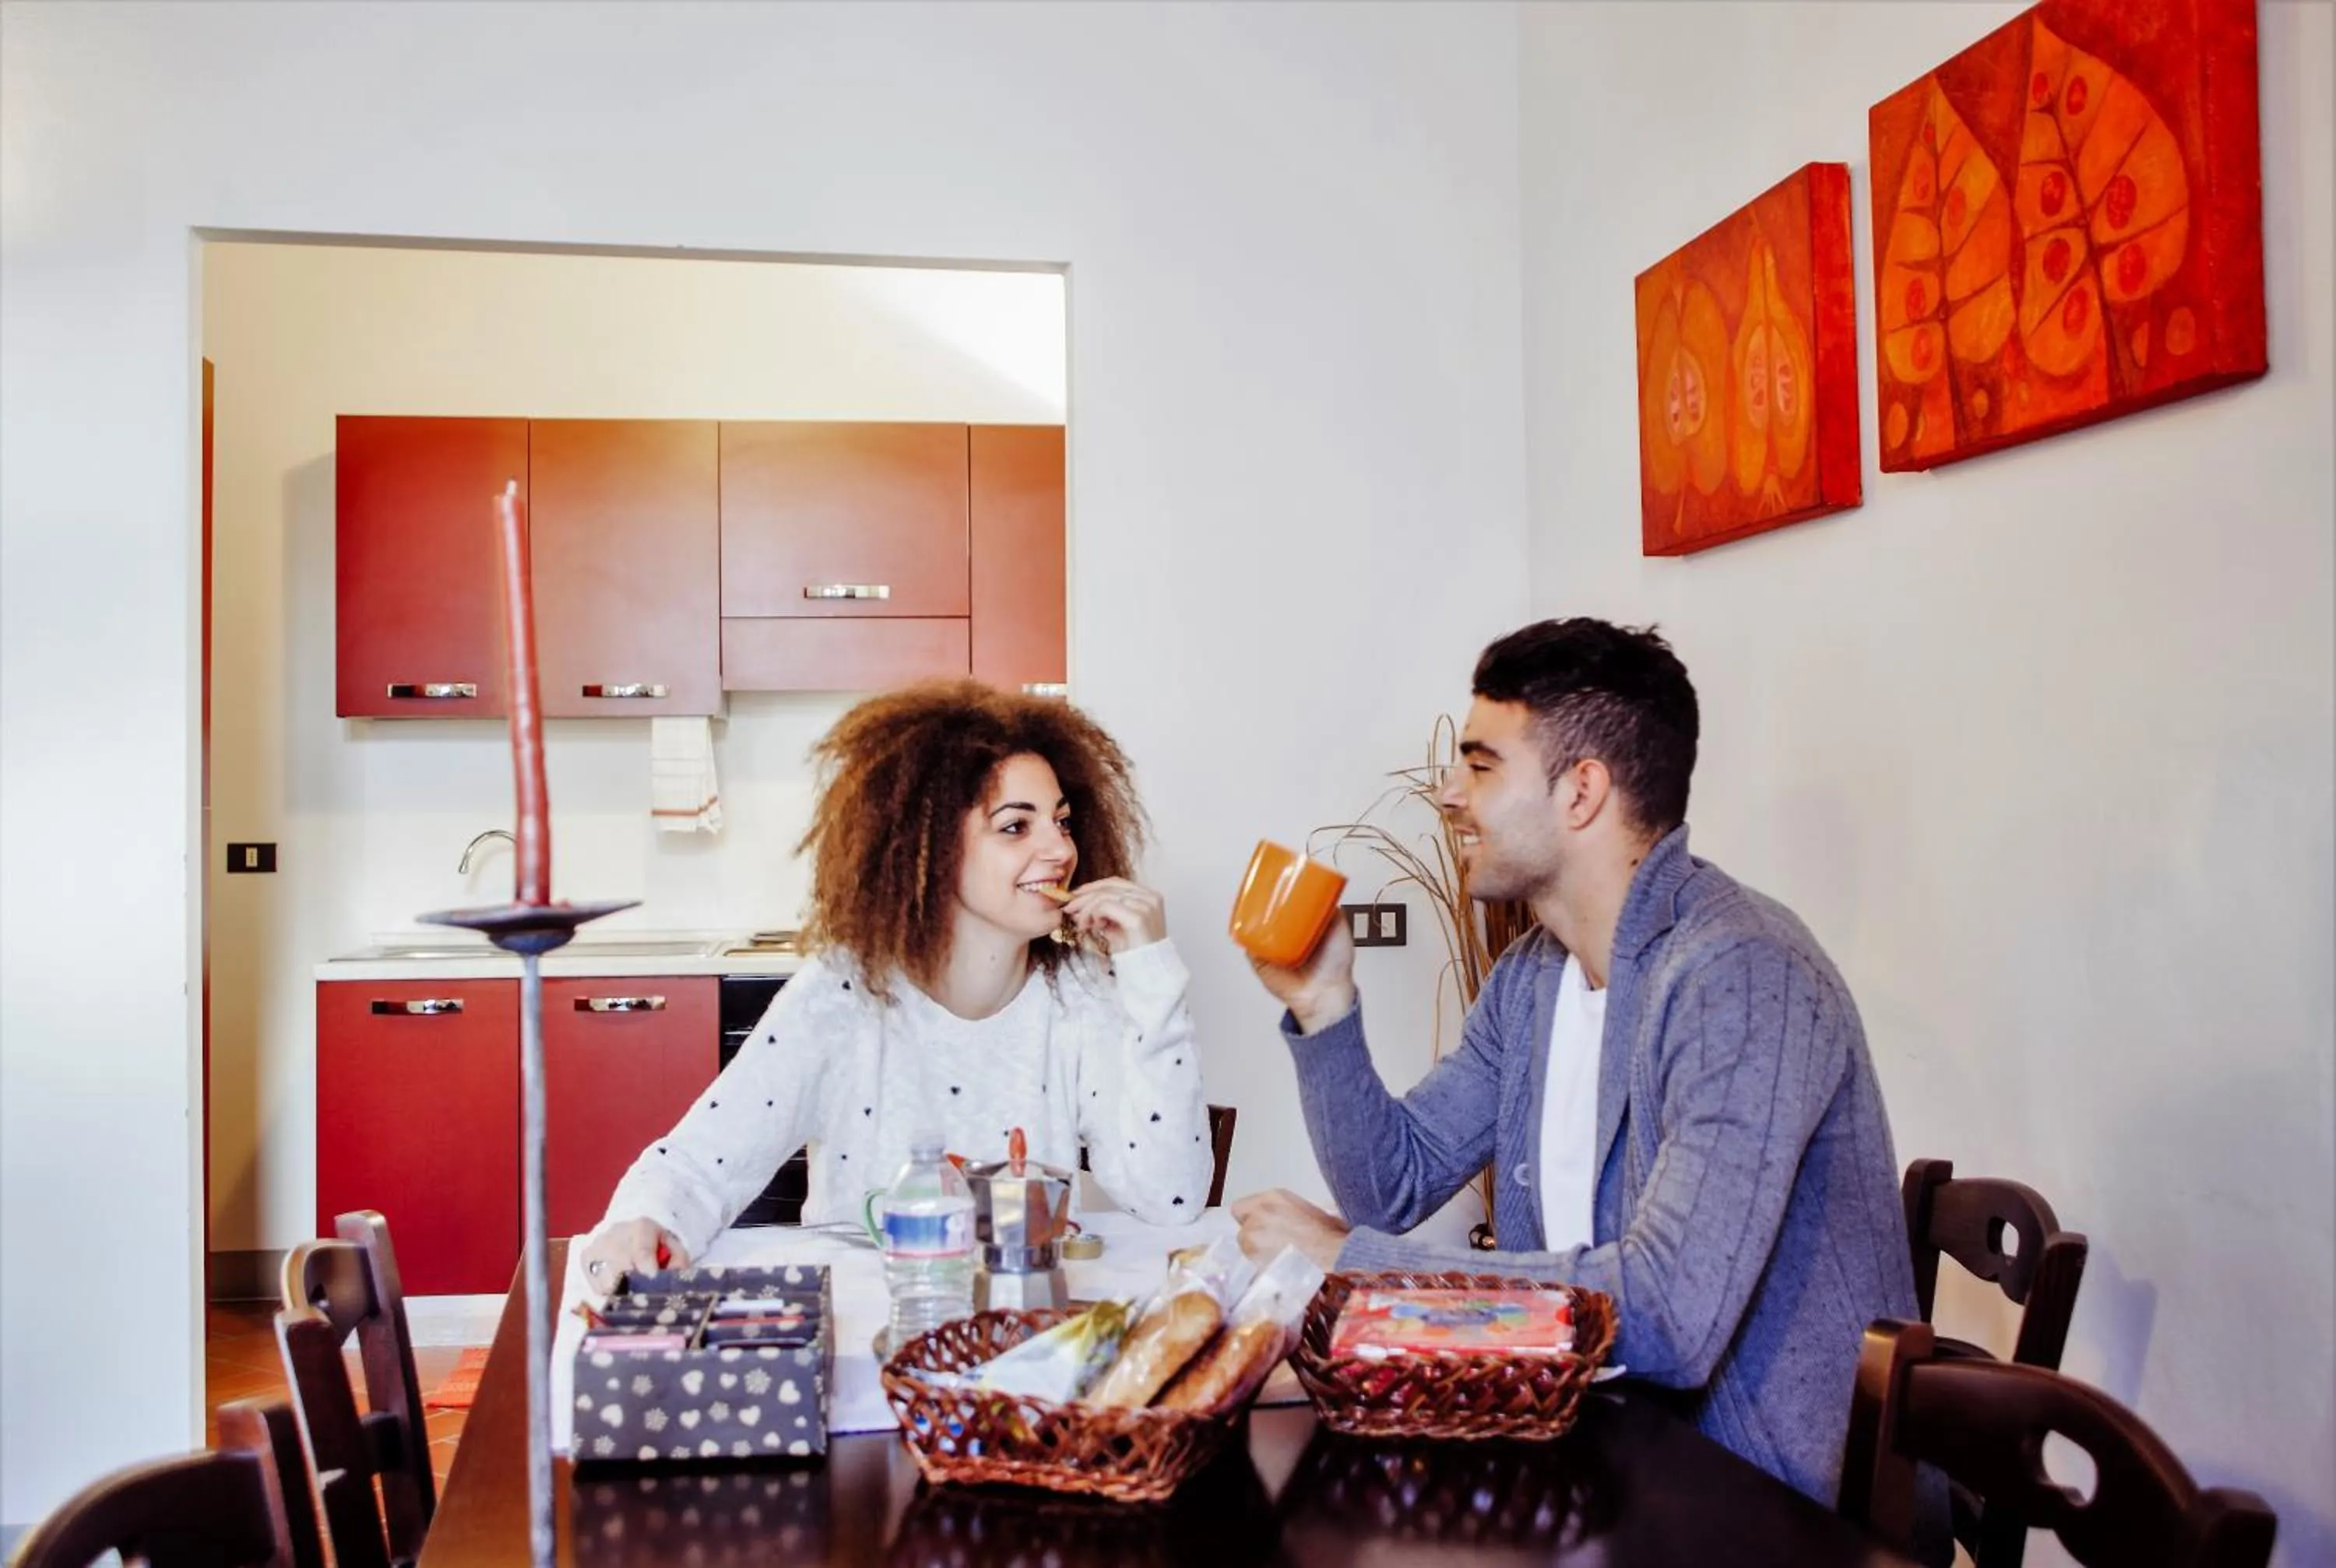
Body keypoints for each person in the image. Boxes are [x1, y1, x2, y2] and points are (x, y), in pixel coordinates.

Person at [1233, 617, 1923, 1510]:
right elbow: (1391, 1187)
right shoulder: (1534, 979)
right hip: (1591, 1465)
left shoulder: (1741, 974)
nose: (1448, 793)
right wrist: (1322, 1005)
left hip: (1760, 1508)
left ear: (1583, 790)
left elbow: (1668, 1314)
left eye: (1481, 766)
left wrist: (1362, 1266)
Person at [580, 680, 1213, 1288]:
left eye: (1064, 822)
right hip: (868, 1330)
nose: (1060, 849)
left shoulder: (1079, 993)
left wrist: (1149, 970)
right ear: (929, 849)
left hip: (1021, 1331)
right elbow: (695, 1167)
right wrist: (641, 1223)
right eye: (1017, 827)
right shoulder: (840, 996)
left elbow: (1171, 1199)